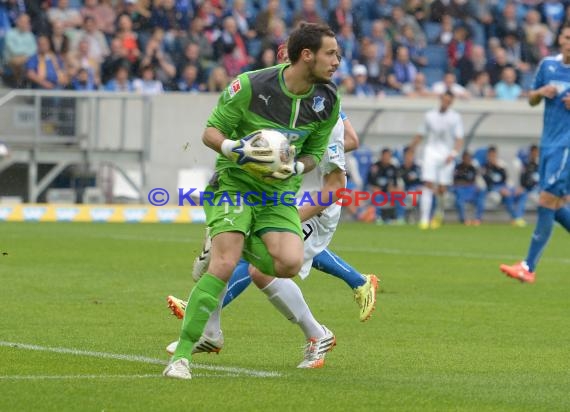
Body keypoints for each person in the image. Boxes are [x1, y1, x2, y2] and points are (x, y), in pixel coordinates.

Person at [163, 22, 341, 380]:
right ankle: (181, 357)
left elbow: (315, 153)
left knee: (288, 263)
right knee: (224, 264)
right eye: (331, 53)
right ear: (307, 55)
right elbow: (211, 131)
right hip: (235, 184)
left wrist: (293, 164)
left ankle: (229, 243)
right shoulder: (250, 85)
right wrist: (235, 149)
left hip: (277, 195)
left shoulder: (328, 101)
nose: (337, 61)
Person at [165, 113, 379, 368]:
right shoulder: (281, 99)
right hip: (282, 196)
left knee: (258, 264)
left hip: (313, 205)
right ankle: (210, 328)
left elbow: (350, 143)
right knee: (244, 253)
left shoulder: (326, 107)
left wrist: (303, 154)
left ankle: (317, 332)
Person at [500, 22, 570, 283]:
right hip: (548, 144)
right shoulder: (548, 65)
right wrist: (541, 92)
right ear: (560, 39)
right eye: (566, 37)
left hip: (567, 146)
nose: (568, 42)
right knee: (558, 205)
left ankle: (528, 267)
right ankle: (527, 266)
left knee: (545, 200)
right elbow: (531, 99)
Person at [410, 90, 464, 229]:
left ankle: (439, 213)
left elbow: (459, 139)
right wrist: (411, 149)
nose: (446, 102)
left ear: (451, 102)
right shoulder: (429, 115)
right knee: (427, 184)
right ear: (441, 99)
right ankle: (424, 219)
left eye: (449, 101)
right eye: (444, 99)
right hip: (431, 153)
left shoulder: (455, 117)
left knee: (441, 188)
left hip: (447, 155)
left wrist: (453, 153)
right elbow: (421, 134)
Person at [453, 151, 485, 225]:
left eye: (469, 158)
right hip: (460, 189)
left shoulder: (472, 168)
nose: (468, 160)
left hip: (470, 189)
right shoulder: (458, 168)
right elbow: (455, 182)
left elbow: (473, 181)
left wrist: (471, 185)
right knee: (459, 199)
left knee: (481, 196)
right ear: (463, 158)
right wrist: (465, 184)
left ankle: (477, 219)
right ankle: (463, 219)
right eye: (466, 158)